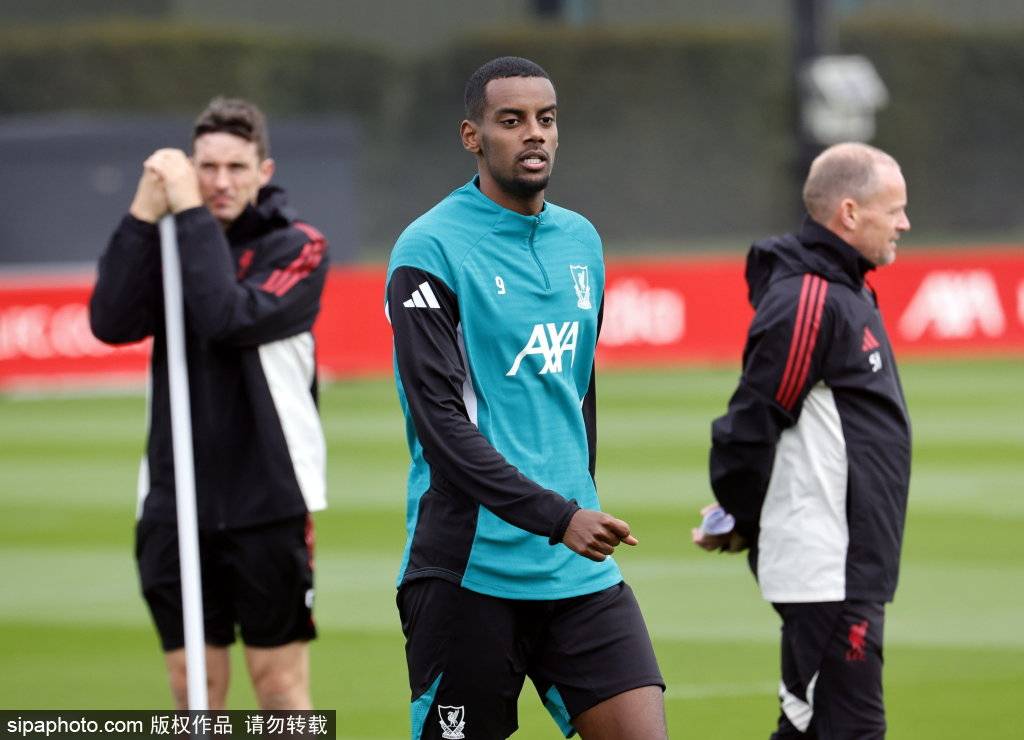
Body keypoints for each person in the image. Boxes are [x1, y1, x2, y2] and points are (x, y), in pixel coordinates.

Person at [385, 57, 667, 739]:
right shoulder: (429, 249)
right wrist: (557, 514)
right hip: (470, 571)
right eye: (511, 120)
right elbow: (442, 426)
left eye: (546, 119)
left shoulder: (582, 241)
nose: (533, 133)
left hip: (577, 569)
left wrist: (576, 503)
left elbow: (577, 392)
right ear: (472, 136)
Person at [89, 97, 329, 710]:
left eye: (236, 167)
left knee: (279, 689)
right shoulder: (169, 243)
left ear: (263, 172)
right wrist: (144, 212)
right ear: (190, 168)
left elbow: (226, 315)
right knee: (193, 690)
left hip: (268, 497)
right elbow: (110, 321)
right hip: (175, 497)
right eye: (207, 167)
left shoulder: (297, 247)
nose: (221, 182)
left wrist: (188, 211)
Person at [693, 142, 912, 739]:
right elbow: (749, 426)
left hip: (847, 565)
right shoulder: (809, 301)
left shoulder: (847, 289)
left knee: (811, 729)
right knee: (849, 730)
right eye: (894, 210)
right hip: (827, 568)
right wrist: (740, 514)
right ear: (849, 213)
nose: (904, 224)